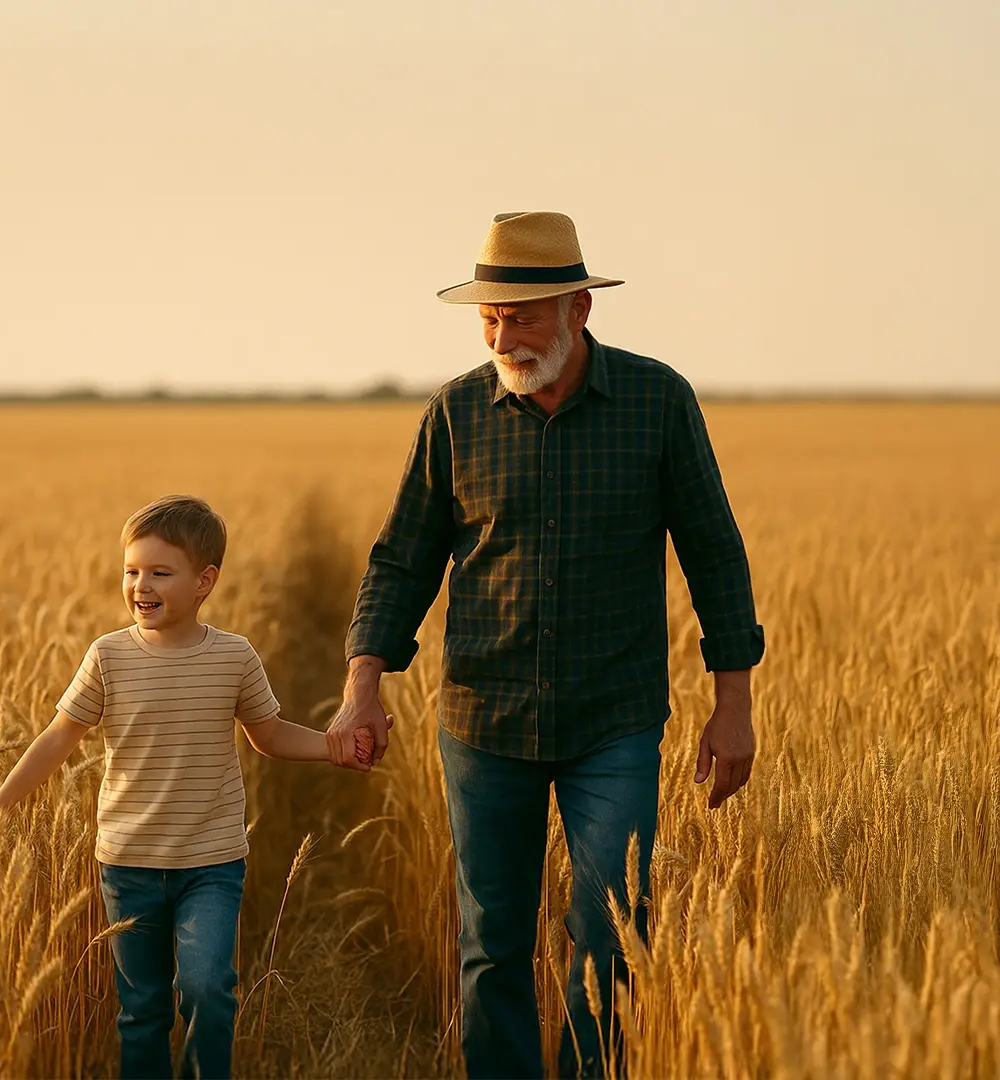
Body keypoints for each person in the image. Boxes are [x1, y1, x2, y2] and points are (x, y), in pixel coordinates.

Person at [324, 212, 764, 1078]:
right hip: (484, 721)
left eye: (521, 318)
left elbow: (714, 553)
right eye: (489, 319)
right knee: (491, 942)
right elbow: (402, 559)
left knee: (613, 934)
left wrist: (734, 706)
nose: (502, 338)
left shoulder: (658, 401)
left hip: (615, 720)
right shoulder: (456, 413)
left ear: (579, 310)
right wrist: (360, 686)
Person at [0, 494, 371, 1079]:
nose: (140, 585)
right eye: (132, 571)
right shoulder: (108, 657)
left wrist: (331, 746)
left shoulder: (234, 657)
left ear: (204, 582)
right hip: (128, 864)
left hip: (211, 863)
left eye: (159, 573)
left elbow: (269, 734)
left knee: (206, 987)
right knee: (142, 1009)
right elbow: (57, 738)